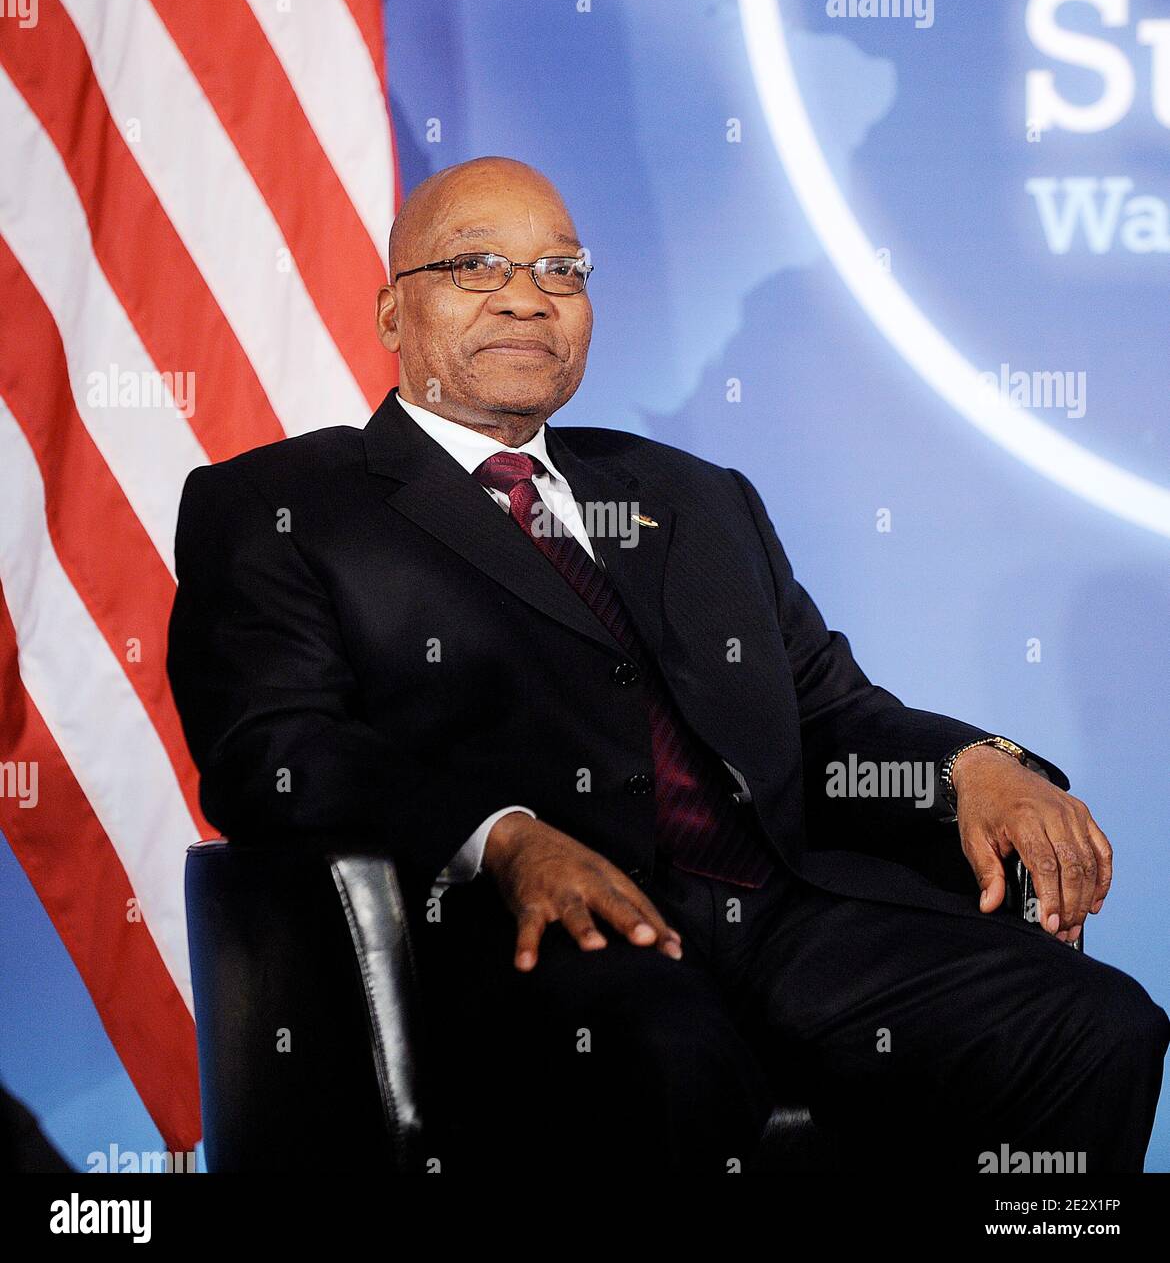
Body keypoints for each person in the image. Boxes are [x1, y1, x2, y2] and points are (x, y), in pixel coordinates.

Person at [166, 155, 1169, 1174]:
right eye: (476, 265)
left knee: (1091, 1024)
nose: (526, 296)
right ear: (391, 313)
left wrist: (975, 765)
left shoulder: (691, 495)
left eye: (562, 269)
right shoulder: (282, 507)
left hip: (783, 921)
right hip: (529, 940)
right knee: (662, 1061)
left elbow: (827, 715)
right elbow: (273, 748)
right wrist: (503, 838)